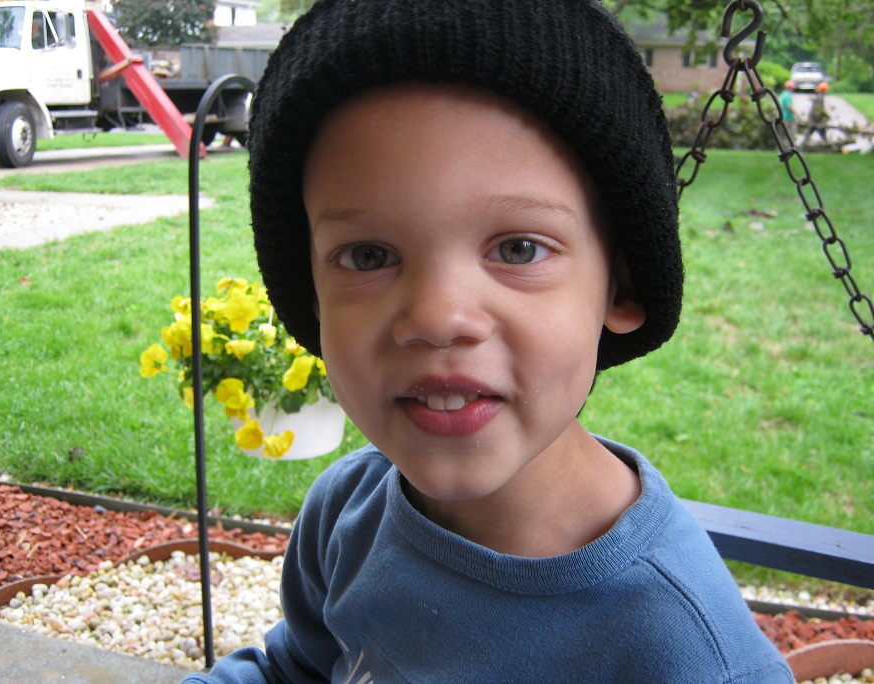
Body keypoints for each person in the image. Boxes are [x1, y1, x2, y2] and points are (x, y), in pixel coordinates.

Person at [183, 1, 794, 681]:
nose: (438, 317)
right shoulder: (348, 511)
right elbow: (296, 668)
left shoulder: (688, 653)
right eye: (367, 256)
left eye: (518, 248)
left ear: (621, 283)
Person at [801, 81, 831, 147]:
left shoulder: (819, 97)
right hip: (816, 120)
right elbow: (818, 111)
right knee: (819, 132)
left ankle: (802, 145)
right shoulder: (820, 98)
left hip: (815, 119)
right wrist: (824, 116)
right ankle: (827, 145)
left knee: (812, 132)